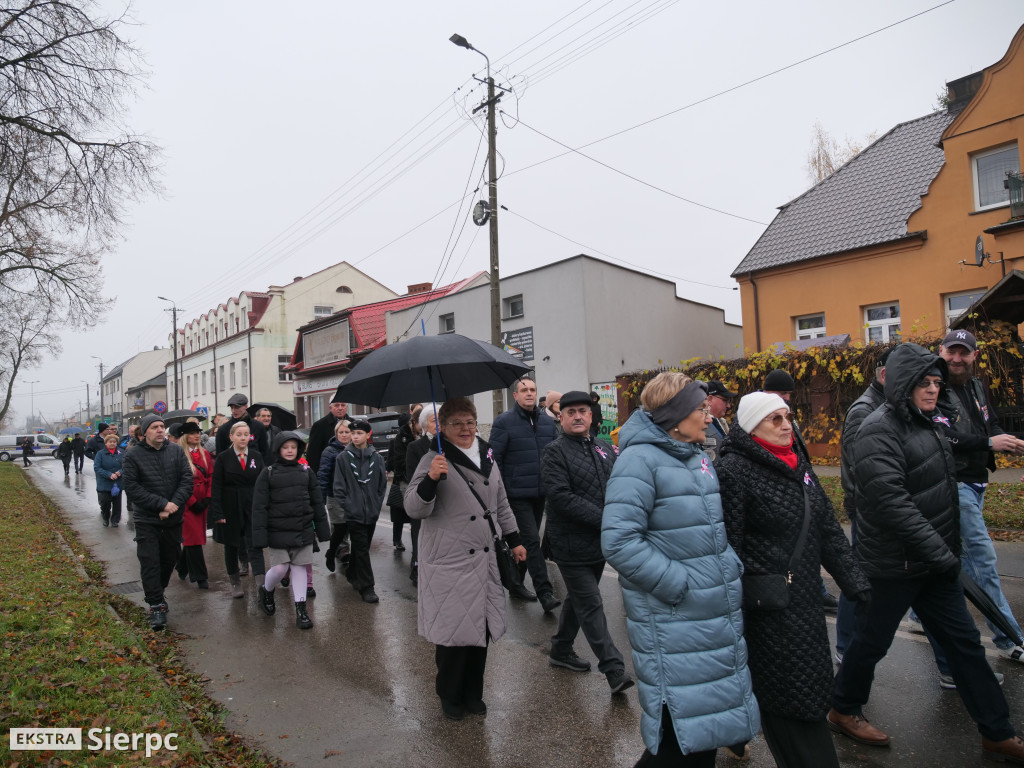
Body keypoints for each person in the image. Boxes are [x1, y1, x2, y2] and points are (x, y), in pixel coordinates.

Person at [829, 343, 1024, 763]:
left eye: (936, 382)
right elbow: (889, 501)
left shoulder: (931, 424)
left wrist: (943, 550)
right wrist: (942, 553)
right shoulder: (877, 428)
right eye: (924, 382)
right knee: (870, 643)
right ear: (901, 383)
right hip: (893, 564)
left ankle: (997, 731)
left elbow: (942, 493)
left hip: (933, 563)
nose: (933, 389)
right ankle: (843, 708)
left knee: (965, 645)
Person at [602, 371, 759, 767]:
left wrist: (727, 568)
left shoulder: (695, 457)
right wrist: (680, 584)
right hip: (674, 617)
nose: (710, 416)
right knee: (683, 735)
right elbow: (619, 541)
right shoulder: (640, 461)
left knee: (701, 730)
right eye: (701, 408)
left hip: (709, 613)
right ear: (675, 416)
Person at [716, 392, 869, 768]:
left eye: (788, 417)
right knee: (788, 692)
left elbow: (828, 529)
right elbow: (727, 548)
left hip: (803, 602)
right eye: (776, 420)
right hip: (766, 605)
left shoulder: (798, 463)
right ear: (752, 427)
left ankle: (737, 732)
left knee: (807, 682)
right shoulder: (733, 471)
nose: (787, 426)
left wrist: (857, 583)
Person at [405, 397, 527, 721]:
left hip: (484, 559)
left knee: (479, 631)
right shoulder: (433, 458)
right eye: (457, 423)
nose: (465, 429)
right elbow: (414, 509)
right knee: (452, 635)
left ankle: (474, 693)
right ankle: (449, 694)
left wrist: (514, 540)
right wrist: (431, 478)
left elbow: (501, 502)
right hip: (449, 560)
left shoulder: (487, 456)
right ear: (442, 427)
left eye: (470, 422)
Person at [931, 329, 1024, 663]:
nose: (956, 359)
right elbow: (943, 434)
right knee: (983, 561)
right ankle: (1010, 638)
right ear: (941, 351)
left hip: (976, 481)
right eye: (951, 352)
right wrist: (988, 443)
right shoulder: (932, 387)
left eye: (963, 353)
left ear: (973, 355)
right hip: (952, 483)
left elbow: (990, 424)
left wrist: (1006, 439)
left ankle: (920, 614)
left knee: (951, 557)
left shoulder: (976, 384)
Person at [541, 390, 633, 694]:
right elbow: (561, 497)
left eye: (583, 411)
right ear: (561, 416)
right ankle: (614, 669)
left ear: (591, 416)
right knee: (591, 603)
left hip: (599, 543)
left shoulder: (604, 449)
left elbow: (617, 486)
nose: (578, 416)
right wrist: (606, 518)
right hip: (569, 544)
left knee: (579, 599)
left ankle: (561, 648)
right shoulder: (554, 452)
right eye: (571, 412)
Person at [763, 368, 838, 613]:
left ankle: (818, 590)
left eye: (788, 393)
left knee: (811, 541)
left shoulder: (789, 418)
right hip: (783, 493)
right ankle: (812, 592)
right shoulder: (760, 421)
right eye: (781, 392)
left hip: (801, 484)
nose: (786, 398)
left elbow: (800, 454)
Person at [835, 347, 891, 664]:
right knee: (858, 576)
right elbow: (859, 467)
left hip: (882, 506)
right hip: (868, 508)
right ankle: (845, 644)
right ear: (885, 374)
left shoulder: (889, 404)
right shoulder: (863, 410)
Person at [489, 377, 560, 611]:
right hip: (516, 494)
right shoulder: (504, 422)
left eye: (533, 390)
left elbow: (554, 457)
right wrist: (500, 492)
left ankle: (515, 583)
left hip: (540, 492)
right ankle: (545, 592)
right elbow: (494, 459)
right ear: (516, 396)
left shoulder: (549, 424)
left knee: (529, 543)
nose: (529, 393)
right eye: (524, 390)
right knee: (531, 540)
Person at [121, 414, 193, 631]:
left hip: (173, 517)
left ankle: (157, 592)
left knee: (170, 558)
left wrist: (172, 505)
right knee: (150, 561)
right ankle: (155, 606)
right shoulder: (133, 456)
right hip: (147, 519)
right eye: (155, 427)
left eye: (162, 426)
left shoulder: (176, 451)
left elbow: (186, 481)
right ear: (144, 433)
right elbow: (132, 488)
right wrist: (161, 504)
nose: (160, 430)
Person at [252, 431, 330, 630]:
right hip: (277, 531)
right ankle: (267, 590)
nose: (289, 451)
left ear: (299, 450)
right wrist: (259, 536)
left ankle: (301, 610)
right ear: (278, 449)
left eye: (293, 447)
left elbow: (317, 502)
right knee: (280, 568)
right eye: (285, 447)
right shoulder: (267, 472)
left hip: (302, 529)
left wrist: (322, 530)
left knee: (299, 568)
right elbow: (259, 507)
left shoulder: (306, 472)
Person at [333, 419, 387, 603]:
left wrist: (376, 504)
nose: (354, 436)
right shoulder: (343, 458)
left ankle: (352, 573)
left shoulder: (377, 458)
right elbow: (339, 487)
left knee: (360, 548)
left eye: (359, 433)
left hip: (371, 512)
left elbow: (381, 484)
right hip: (354, 513)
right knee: (362, 548)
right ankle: (367, 587)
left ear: (368, 435)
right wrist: (349, 506)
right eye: (352, 433)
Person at [211, 421, 266, 599]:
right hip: (230, 505)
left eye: (246, 434)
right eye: (239, 434)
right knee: (231, 545)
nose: (243, 438)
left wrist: (265, 506)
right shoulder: (223, 457)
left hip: (251, 504)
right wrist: (218, 513)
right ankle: (235, 582)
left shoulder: (256, 456)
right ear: (231, 437)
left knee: (255, 544)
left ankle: (261, 583)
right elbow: (216, 486)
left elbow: (263, 483)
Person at [405, 404, 441, 586]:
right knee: (419, 535)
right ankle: (417, 567)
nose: (439, 424)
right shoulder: (415, 447)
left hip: (445, 502)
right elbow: (411, 476)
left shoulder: (452, 445)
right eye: (434, 420)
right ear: (424, 425)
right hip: (423, 498)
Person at [175, 421, 213, 590]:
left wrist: (208, 497)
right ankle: (200, 577)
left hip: (202, 500)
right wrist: (192, 501)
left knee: (193, 539)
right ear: (185, 436)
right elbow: (179, 482)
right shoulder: (179, 454)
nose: (197, 435)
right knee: (194, 540)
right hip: (187, 503)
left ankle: (182, 567)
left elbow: (211, 476)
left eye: (198, 432)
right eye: (192, 433)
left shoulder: (204, 453)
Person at [318, 419, 352, 573]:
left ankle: (341, 551)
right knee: (340, 526)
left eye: (347, 432)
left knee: (351, 526)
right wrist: (321, 497)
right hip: (334, 495)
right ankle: (332, 552)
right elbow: (323, 475)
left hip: (352, 496)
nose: (344, 435)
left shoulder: (356, 448)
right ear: (336, 434)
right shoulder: (329, 451)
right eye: (341, 432)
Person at [386, 407, 422, 552]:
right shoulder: (401, 437)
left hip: (417, 477)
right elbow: (398, 460)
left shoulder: (422, 435)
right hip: (404, 479)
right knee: (401, 512)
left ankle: (417, 543)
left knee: (416, 515)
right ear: (414, 422)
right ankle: (397, 539)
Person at [215, 393, 269, 462]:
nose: (233, 411)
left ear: (246, 406)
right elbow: (219, 457)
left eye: (237, 407)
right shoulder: (223, 429)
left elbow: (265, 452)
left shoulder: (258, 426)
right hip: (232, 469)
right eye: (232, 407)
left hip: (255, 469)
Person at [306, 396, 348, 477]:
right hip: (328, 473)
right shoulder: (320, 425)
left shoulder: (353, 424)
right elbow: (313, 454)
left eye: (343, 405)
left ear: (346, 407)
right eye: (336, 405)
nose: (340, 408)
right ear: (330, 407)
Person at [93, 433, 125, 527]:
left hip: (117, 482)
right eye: (110, 442)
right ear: (106, 443)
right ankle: (106, 518)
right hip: (105, 483)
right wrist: (109, 474)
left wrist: (120, 472)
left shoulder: (121, 452)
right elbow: (97, 468)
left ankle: (115, 520)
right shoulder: (100, 454)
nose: (112, 443)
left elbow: (126, 465)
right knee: (105, 503)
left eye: (114, 442)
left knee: (117, 503)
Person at [702, 380, 736, 461]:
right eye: (725, 400)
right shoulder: (702, 425)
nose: (728, 405)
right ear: (709, 399)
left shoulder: (721, 422)